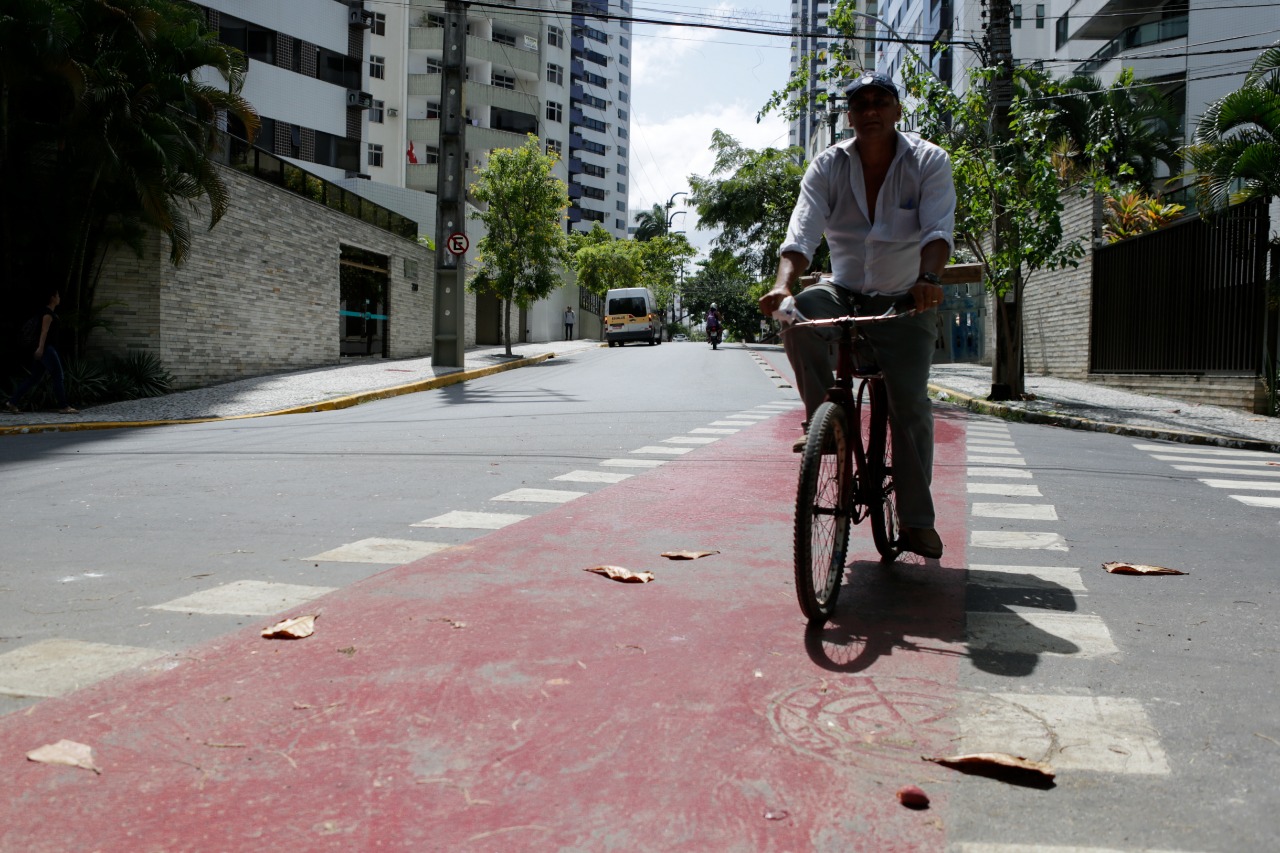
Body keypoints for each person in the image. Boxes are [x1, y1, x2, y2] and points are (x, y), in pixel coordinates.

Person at [758, 71, 955, 560]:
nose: (870, 110)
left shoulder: (928, 160)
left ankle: (914, 521)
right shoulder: (827, 166)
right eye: (860, 103)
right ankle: (827, 422)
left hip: (906, 299)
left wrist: (928, 280)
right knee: (797, 316)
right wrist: (782, 285)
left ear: (896, 110)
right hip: (841, 291)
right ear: (849, 115)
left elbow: (937, 231)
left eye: (880, 101)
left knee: (910, 406)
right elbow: (800, 236)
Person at [6, 288, 79, 415]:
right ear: (52, 298)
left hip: (44, 349)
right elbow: (43, 332)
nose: (59, 298)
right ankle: (64, 406)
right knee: (58, 376)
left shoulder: (47, 312)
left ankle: (12, 402)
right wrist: (40, 348)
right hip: (46, 349)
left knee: (34, 378)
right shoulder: (47, 314)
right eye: (58, 295)